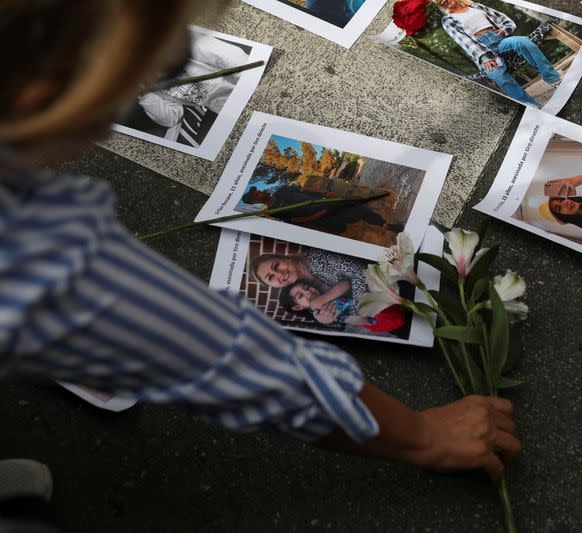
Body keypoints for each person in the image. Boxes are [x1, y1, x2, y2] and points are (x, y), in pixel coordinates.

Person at [0, 1, 521, 523]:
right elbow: (219, 354)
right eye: (150, 65)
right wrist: (422, 437)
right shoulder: (32, 246)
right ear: (44, 90)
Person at [436, 0, 561, 108]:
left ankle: (553, 78)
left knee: (523, 42)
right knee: (497, 74)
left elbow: (503, 18)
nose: (444, 1)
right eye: (439, 1)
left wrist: (504, 29)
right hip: (480, 48)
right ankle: (531, 105)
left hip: (498, 40)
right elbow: (464, 41)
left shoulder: (476, 6)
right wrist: (484, 57)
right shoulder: (448, 19)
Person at [240, 184, 406, 236]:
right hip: (321, 217)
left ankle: (389, 226)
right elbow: (294, 220)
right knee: (341, 227)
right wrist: (315, 216)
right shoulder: (272, 211)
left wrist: (324, 192)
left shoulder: (281, 190)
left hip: (326, 202)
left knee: (359, 209)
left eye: (258, 190)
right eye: (256, 193)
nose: (260, 191)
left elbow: (304, 191)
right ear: (255, 200)